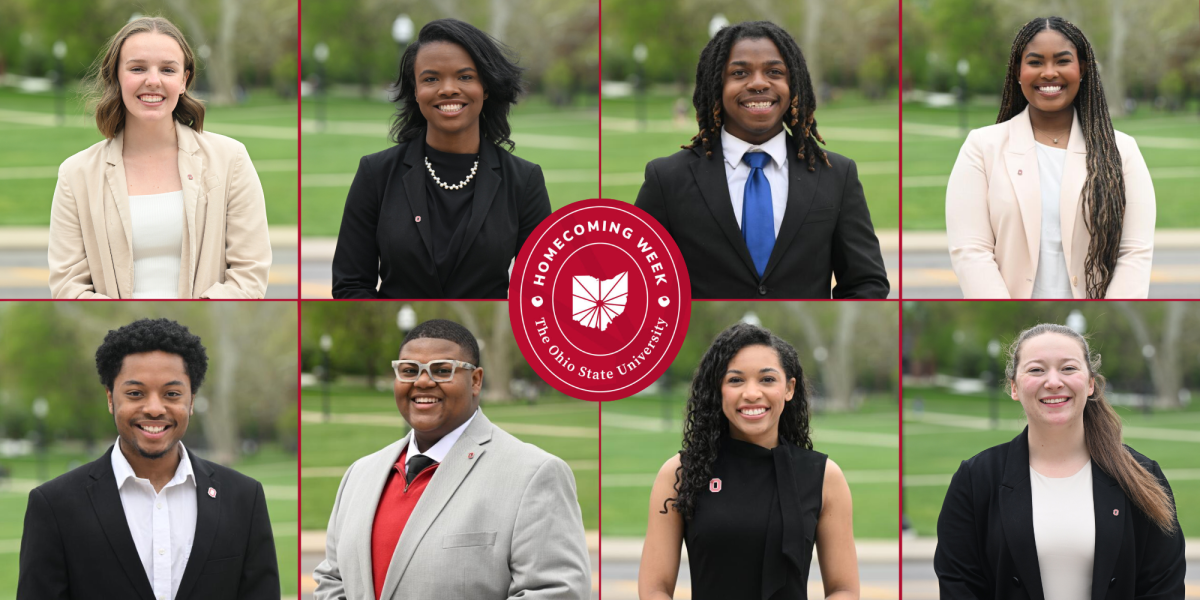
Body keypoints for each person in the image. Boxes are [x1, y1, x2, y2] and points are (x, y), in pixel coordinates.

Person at [313, 319, 590, 599]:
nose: (422, 381)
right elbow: (332, 579)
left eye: (442, 370)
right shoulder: (359, 474)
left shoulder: (533, 474)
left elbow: (556, 592)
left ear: (475, 380)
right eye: (409, 370)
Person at [17, 318, 280, 600]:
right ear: (110, 398)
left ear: (191, 401)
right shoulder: (54, 505)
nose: (155, 408)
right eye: (135, 393)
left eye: (171, 394)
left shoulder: (244, 497)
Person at [634, 21, 889, 299]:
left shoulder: (837, 175)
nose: (758, 83)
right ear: (717, 84)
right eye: (740, 72)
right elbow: (637, 284)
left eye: (774, 72)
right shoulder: (667, 179)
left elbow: (866, 283)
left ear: (793, 84)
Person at [935, 324, 1185, 599]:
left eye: (1068, 368)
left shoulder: (1142, 475)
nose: (1053, 381)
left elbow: (1164, 588)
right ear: (1014, 387)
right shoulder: (975, 480)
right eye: (1036, 370)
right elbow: (958, 586)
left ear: (1090, 384)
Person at [48, 17, 272, 299]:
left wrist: (180, 328)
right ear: (116, 75)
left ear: (183, 80)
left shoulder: (231, 160)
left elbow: (249, 277)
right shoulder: (75, 174)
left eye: (167, 69)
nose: (152, 81)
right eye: (138, 68)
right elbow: (68, 287)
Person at [332, 19, 551, 299]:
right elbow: (350, 285)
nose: (448, 89)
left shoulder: (524, 181)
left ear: (485, 87)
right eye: (431, 79)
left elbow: (543, 292)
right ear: (415, 90)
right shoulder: (375, 173)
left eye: (465, 77)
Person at [638, 323, 859, 600]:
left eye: (767, 379)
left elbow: (844, 589)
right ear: (718, 390)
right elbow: (654, 588)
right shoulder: (679, 474)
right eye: (735, 380)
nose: (752, 393)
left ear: (789, 388)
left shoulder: (825, 476)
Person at [946, 17, 1155, 299]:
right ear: (1017, 72)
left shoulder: (1123, 151)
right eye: (1035, 62)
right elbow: (971, 250)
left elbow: (1135, 253)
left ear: (1081, 69)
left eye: (1062, 61)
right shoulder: (982, 147)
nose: (1048, 73)